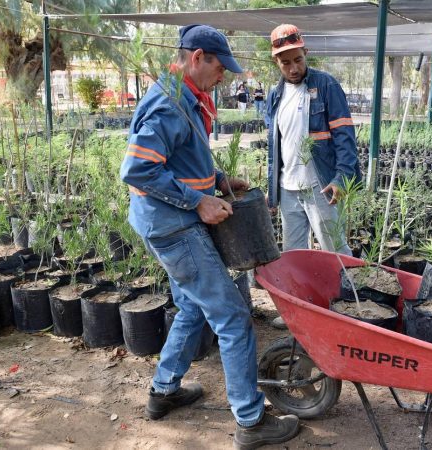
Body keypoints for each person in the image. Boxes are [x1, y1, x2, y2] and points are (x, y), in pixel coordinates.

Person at [119, 24, 300, 450]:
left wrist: (217, 180)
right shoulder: (168, 104)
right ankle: (251, 421)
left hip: (166, 223)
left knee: (191, 307)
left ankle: (163, 391)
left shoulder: (182, 96)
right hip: (174, 227)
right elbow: (138, 170)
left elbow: (178, 157)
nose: (225, 77)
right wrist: (198, 202)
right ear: (197, 57)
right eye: (220, 68)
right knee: (234, 318)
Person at [265, 24, 362, 329]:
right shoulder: (275, 94)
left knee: (333, 249)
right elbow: (275, 146)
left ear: (305, 53)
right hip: (289, 188)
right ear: (276, 62)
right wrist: (273, 189)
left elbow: (345, 136)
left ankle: (350, 308)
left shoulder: (326, 85)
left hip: (322, 186)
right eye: (285, 62)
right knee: (292, 255)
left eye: (297, 59)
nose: (293, 68)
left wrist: (342, 178)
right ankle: (298, 312)